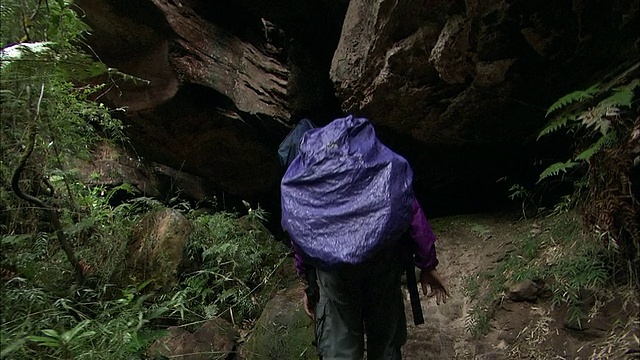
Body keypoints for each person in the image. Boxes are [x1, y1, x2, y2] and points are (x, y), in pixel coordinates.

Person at [281, 115, 448, 360]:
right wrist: (427, 263)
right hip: (382, 260)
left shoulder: (306, 182)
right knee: (386, 345)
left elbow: (300, 236)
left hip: (335, 274)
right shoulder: (368, 162)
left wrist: (309, 285)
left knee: (340, 350)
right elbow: (407, 206)